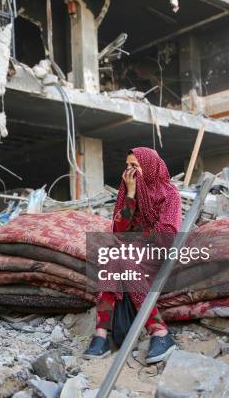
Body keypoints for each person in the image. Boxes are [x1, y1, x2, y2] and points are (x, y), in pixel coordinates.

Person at [83, 147, 181, 364]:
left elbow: (166, 235)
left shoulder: (169, 194)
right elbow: (119, 230)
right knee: (114, 256)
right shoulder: (127, 191)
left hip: (157, 254)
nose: (130, 171)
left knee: (121, 254)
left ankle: (160, 331)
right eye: (127, 166)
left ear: (149, 167)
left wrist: (135, 240)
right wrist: (130, 195)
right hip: (130, 252)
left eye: (135, 166)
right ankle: (101, 335)